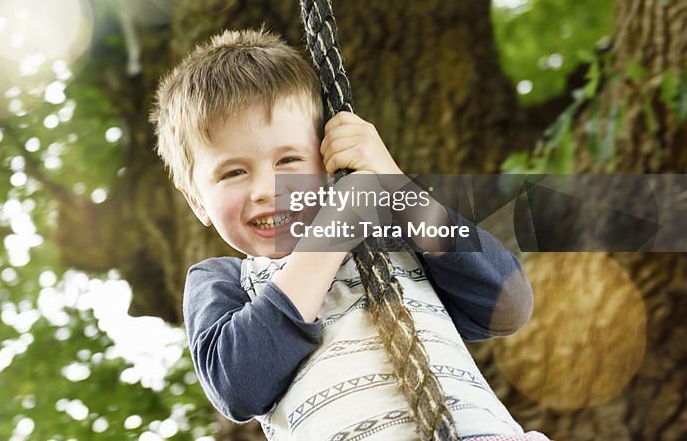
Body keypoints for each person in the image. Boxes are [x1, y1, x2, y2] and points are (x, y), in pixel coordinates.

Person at [150, 29, 546, 440]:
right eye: (233, 172)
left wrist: (391, 180)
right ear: (196, 201)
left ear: (327, 162)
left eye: (288, 159)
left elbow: (509, 304)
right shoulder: (224, 281)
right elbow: (238, 385)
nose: (266, 189)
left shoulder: (400, 234)